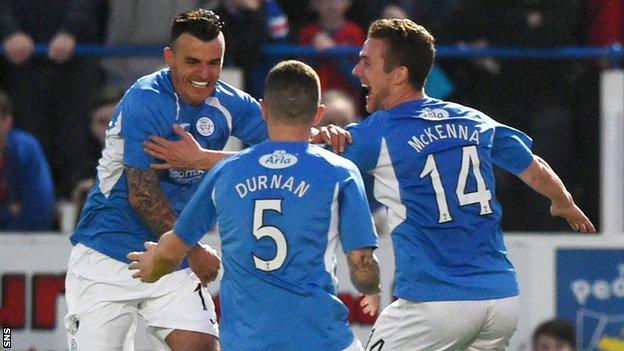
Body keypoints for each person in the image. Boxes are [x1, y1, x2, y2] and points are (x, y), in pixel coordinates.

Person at [144, 18, 597, 351]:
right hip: (502, 300)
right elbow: (533, 166)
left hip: (433, 305)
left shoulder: (379, 133)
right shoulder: (473, 119)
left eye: (366, 62)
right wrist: (564, 203)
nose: (357, 70)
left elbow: (286, 161)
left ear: (398, 74)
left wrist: (202, 158)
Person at [128, 60, 381, 351]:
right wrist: (370, 289)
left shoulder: (227, 171)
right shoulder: (341, 172)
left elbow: (174, 246)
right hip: (321, 339)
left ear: (263, 110)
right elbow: (361, 262)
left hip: (247, 342)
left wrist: (152, 266)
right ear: (318, 114)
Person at [64, 9, 251, 351]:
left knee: (201, 347)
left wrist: (322, 135)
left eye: (214, 62)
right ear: (169, 58)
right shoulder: (147, 99)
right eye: (193, 61)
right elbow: (142, 196)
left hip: (172, 259)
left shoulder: (229, 103)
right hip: (107, 254)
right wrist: (193, 250)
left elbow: (284, 148)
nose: (204, 74)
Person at [0, 91, 54, 231]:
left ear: (7, 121)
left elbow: (39, 215)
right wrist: (9, 209)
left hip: (22, 244)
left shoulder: (25, 149)